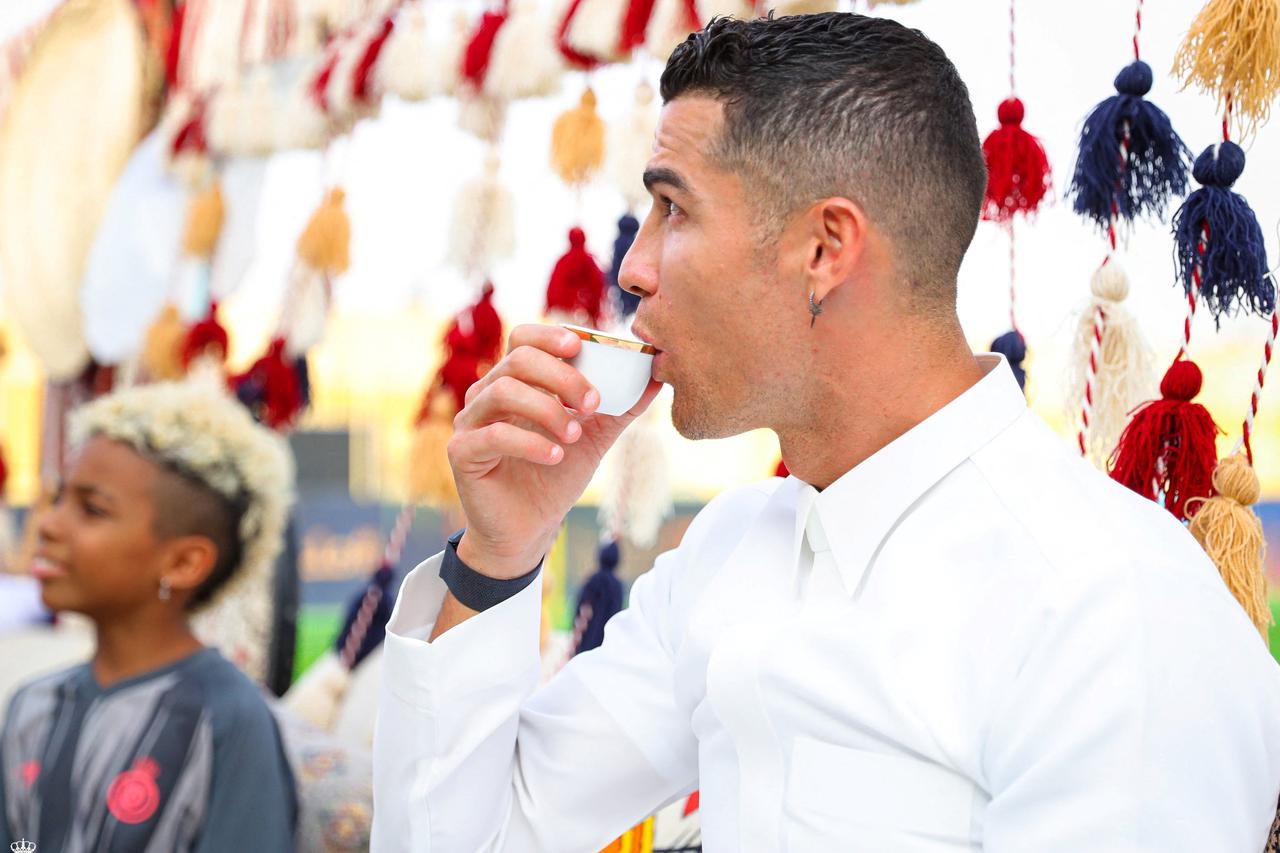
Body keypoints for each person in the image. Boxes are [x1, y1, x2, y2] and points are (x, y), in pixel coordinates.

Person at [372, 13, 1280, 851]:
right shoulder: (731, 551)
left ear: (824, 249)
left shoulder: (1111, 614)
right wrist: (500, 553)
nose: (633, 266)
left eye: (673, 209)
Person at [0, 381, 298, 852]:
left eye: (91, 510)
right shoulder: (32, 706)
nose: (50, 525)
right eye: (58, 500)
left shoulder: (228, 718)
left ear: (183, 563)